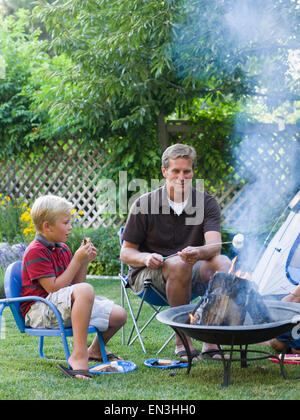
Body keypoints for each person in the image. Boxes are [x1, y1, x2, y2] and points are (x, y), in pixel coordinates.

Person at [120, 143, 231, 360]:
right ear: (164, 172)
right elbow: (126, 253)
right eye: (176, 171)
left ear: (193, 172)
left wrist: (198, 252)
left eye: (187, 171)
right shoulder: (144, 204)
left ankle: (211, 338)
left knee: (224, 264)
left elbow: (214, 246)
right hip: (149, 276)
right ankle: (182, 340)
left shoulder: (206, 203)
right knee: (179, 265)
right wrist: (145, 257)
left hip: (191, 269)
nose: (182, 177)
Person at [21, 195, 127, 379]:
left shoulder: (62, 249)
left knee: (119, 315)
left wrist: (82, 262)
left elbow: (76, 286)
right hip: (39, 311)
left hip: (61, 306)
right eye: (65, 222)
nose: (70, 227)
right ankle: (79, 356)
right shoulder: (35, 251)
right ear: (47, 226)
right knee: (86, 290)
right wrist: (76, 260)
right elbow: (53, 288)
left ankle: (93, 350)